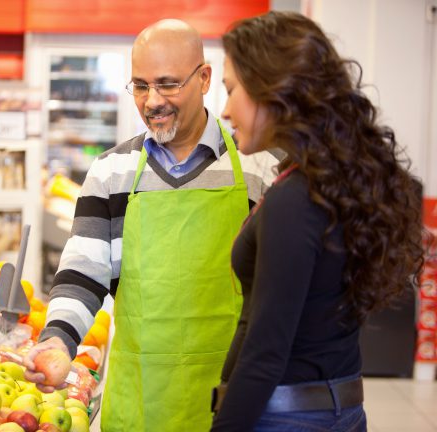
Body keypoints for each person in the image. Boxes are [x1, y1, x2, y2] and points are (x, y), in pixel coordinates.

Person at [24, 19, 279, 431]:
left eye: (167, 84)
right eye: (140, 86)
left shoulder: (258, 170)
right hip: (139, 403)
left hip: (232, 402)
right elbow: (83, 272)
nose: (152, 101)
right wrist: (58, 340)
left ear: (205, 79)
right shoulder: (111, 172)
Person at [210, 11, 425, 432]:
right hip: (338, 405)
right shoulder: (335, 183)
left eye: (232, 89)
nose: (225, 109)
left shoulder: (295, 199)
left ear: (272, 90)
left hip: (285, 417)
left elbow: (266, 351)